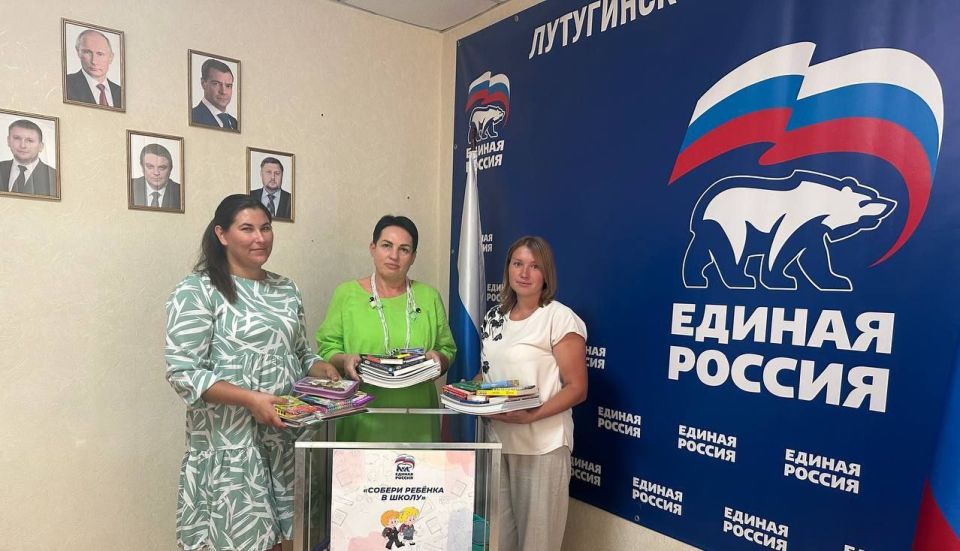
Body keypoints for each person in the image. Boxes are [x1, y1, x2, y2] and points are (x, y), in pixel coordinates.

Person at [165, 194, 339, 551]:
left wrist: (320, 367)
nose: (260, 238)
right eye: (247, 229)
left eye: (266, 228)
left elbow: (299, 352)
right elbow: (183, 372)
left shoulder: (286, 289)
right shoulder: (197, 290)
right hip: (232, 443)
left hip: (286, 439)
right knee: (241, 538)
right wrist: (250, 399)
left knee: (292, 538)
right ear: (222, 234)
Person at [478, 236, 588, 551]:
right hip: (498, 443)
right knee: (499, 542)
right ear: (508, 269)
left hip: (542, 446)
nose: (524, 273)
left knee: (537, 543)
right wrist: (465, 393)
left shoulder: (559, 317)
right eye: (518, 264)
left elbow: (577, 388)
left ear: (546, 274)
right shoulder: (494, 316)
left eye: (534, 266)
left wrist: (532, 416)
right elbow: (488, 374)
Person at [316, 215, 457, 442]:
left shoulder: (428, 296)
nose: (394, 255)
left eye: (404, 249)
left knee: (417, 466)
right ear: (373, 248)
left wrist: (439, 359)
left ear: (413, 257)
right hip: (361, 416)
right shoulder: (346, 294)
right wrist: (344, 360)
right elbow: (327, 348)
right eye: (386, 245)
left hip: (417, 417)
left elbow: (447, 349)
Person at [65, 29, 122, 108]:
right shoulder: (66, 84)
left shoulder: (121, 92)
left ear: (111, 57)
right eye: (87, 52)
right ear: (78, 53)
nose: (94, 61)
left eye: (100, 54)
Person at [0, 119, 57, 196]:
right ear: (8, 141)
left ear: (41, 146)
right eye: (17, 138)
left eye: (30, 140)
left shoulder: (55, 177)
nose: (23, 145)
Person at [191, 58, 238, 130]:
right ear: (203, 83)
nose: (223, 92)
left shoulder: (235, 123)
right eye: (216, 84)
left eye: (228, 86)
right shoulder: (192, 116)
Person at [131, 143, 181, 209]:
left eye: (162, 168)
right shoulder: (130, 187)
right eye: (150, 167)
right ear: (142, 168)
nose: (156, 173)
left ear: (170, 169)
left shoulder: (181, 192)